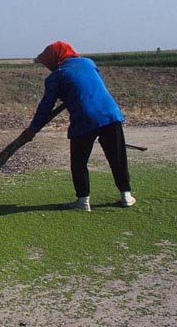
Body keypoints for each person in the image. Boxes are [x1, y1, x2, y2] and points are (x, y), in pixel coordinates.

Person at [19, 41, 136, 212]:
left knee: (79, 162)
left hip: (84, 119)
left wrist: (33, 129)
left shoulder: (55, 77)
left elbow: (46, 106)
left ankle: (83, 200)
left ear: (54, 59)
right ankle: (126, 195)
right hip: (109, 114)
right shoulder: (88, 63)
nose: (47, 66)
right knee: (117, 156)